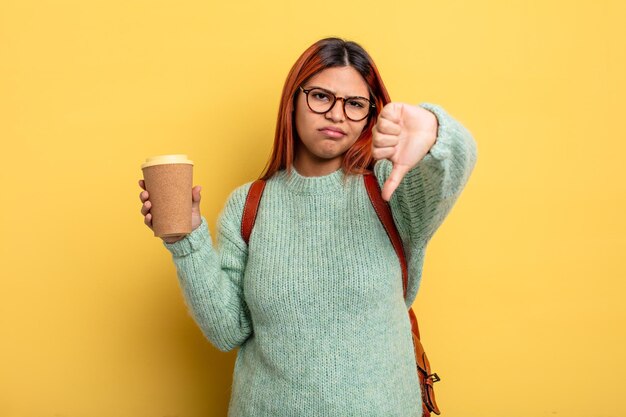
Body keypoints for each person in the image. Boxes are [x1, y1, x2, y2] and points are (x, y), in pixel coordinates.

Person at [138, 37, 477, 416]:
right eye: (321, 96)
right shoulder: (249, 204)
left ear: (370, 114)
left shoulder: (391, 189)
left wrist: (432, 128)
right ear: (293, 100)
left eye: (355, 104)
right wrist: (186, 240)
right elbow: (228, 331)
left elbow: (457, 162)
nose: (336, 115)